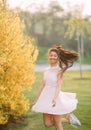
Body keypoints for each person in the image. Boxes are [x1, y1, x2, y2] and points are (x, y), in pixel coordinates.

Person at [31, 45, 81, 130]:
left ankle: (67, 119)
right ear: (48, 56)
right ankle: (67, 119)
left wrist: (54, 98)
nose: (52, 57)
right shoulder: (46, 70)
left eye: (55, 56)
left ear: (57, 57)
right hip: (45, 97)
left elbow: (58, 86)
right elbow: (42, 85)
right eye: (51, 55)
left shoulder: (59, 70)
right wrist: (36, 100)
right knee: (47, 124)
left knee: (58, 125)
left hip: (55, 98)